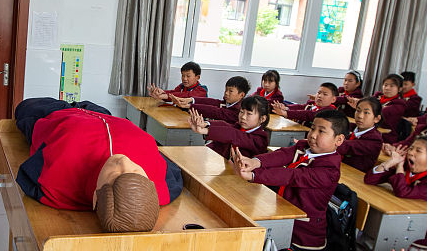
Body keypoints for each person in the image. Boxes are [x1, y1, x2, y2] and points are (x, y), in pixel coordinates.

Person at [13, 98, 182, 231]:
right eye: (136, 171)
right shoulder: (162, 188)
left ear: (95, 197)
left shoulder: (57, 185)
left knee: (24, 107)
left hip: (57, 114)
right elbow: (173, 173)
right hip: (105, 115)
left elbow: (28, 176)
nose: (123, 161)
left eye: (115, 175)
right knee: (97, 107)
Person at [230, 109, 349, 251]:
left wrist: (254, 175)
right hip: (284, 217)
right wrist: (255, 162)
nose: (313, 135)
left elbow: (292, 176)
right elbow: (283, 154)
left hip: (303, 238)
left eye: (321, 131)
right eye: (312, 128)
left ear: (339, 140)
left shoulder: (330, 170)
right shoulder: (305, 147)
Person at [366, 136, 427, 251]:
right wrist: (390, 162)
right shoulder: (408, 167)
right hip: (399, 223)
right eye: (411, 148)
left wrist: (399, 167)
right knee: (370, 234)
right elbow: (370, 179)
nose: (411, 153)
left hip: (420, 235)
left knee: (378, 243)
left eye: (418, 151)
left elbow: (402, 192)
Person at [188, 95, 269, 160]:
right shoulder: (238, 127)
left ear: (262, 119)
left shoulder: (260, 139)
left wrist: (207, 130)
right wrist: (205, 124)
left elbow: (234, 135)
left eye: (249, 114)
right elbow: (226, 127)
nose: (243, 117)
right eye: (241, 112)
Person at [173, 75, 250, 123]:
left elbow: (215, 111)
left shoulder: (238, 111)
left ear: (241, 95)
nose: (226, 93)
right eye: (226, 90)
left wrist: (190, 106)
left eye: (230, 91)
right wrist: (191, 100)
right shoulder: (228, 103)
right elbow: (213, 102)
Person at [339, 97, 385, 171]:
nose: (360, 116)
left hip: (354, 177)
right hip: (342, 168)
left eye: (366, 113)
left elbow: (346, 146)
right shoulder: (353, 127)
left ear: (376, 119)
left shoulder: (375, 139)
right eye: (358, 110)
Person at [272, 81, 336, 124]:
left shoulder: (329, 110)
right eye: (319, 93)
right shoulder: (313, 105)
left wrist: (286, 113)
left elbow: (309, 114)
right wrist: (286, 108)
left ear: (333, 99)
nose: (320, 96)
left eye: (325, 94)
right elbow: (301, 107)